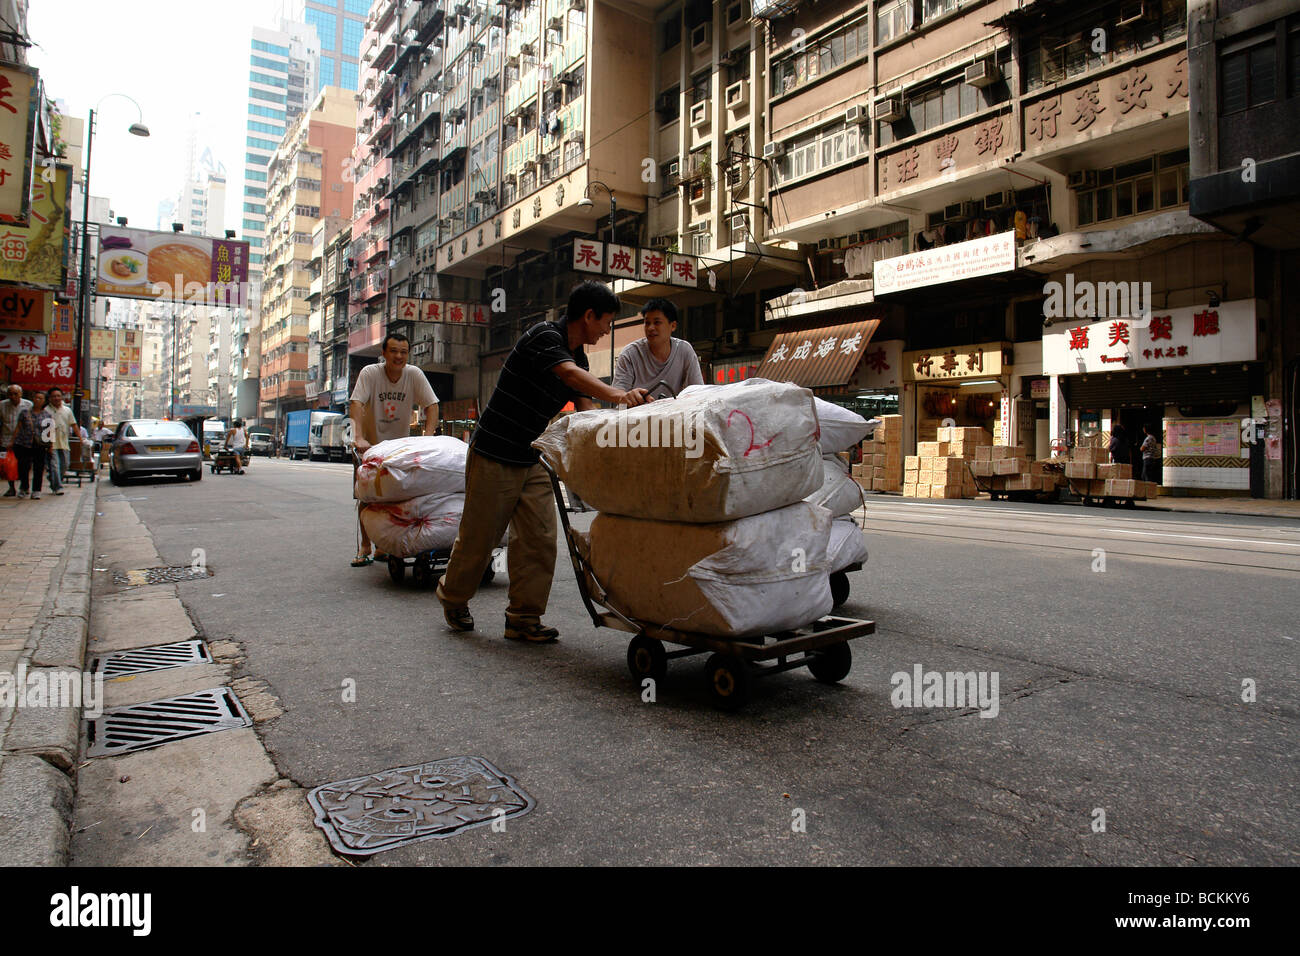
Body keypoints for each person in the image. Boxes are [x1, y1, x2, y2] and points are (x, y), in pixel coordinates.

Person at [436, 280, 651, 643]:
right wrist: (618, 393)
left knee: (539, 538)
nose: (605, 330)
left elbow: (587, 411)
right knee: (480, 537)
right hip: (494, 451)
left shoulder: (579, 359)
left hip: (531, 454)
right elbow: (567, 375)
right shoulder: (544, 337)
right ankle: (454, 597)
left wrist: (622, 431)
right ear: (588, 315)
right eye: (606, 322)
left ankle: (523, 617)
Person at [349, 331, 439, 566]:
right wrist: (358, 437)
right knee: (367, 497)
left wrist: (427, 438)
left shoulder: (414, 374)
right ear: (384, 353)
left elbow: (432, 405)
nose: (399, 356)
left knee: (394, 498)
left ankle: (384, 546)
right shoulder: (370, 373)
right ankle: (365, 546)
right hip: (369, 446)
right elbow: (356, 403)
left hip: (398, 450)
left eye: (403, 352)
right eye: (394, 351)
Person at [611, 297, 705, 397]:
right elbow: (618, 398)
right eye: (647, 323)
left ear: (673, 326)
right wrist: (628, 399)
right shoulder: (629, 355)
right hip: (637, 411)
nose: (650, 328)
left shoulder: (684, 350)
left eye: (657, 322)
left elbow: (697, 392)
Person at [2, 385, 35, 498]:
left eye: (15, 394)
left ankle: (24, 487)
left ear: (20, 394)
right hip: (6, 439)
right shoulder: (2, 405)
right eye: (10, 394)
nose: (13, 396)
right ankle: (11, 488)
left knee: (23, 464)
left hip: (23, 440)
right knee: (8, 465)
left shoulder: (28, 405)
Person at [45, 387, 76, 491]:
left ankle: (52, 478)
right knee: (54, 465)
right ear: (49, 398)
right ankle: (58, 487)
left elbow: (74, 424)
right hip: (51, 443)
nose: (56, 398)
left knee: (65, 465)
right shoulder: (46, 411)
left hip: (63, 442)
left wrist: (81, 439)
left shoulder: (67, 410)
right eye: (54, 396)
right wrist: (47, 443)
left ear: (62, 397)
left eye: (58, 396)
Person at [27, 391, 53, 500]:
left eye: (40, 398)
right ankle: (24, 486)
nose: (37, 400)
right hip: (26, 443)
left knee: (38, 467)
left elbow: (49, 432)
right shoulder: (25, 412)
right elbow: (19, 428)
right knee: (24, 466)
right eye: (36, 397)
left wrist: (50, 445)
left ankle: (36, 490)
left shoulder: (47, 415)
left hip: (40, 444)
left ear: (44, 401)